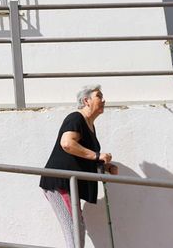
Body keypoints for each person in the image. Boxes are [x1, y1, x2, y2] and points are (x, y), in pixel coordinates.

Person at [39, 85, 118, 248]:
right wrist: (97, 155)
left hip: (70, 184)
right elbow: (67, 143)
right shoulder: (76, 118)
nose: (103, 100)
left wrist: (106, 165)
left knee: (77, 229)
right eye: (99, 96)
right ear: (86, 100)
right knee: (74, 230)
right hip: (60, 183)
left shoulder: (90, 126)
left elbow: (82, 154)